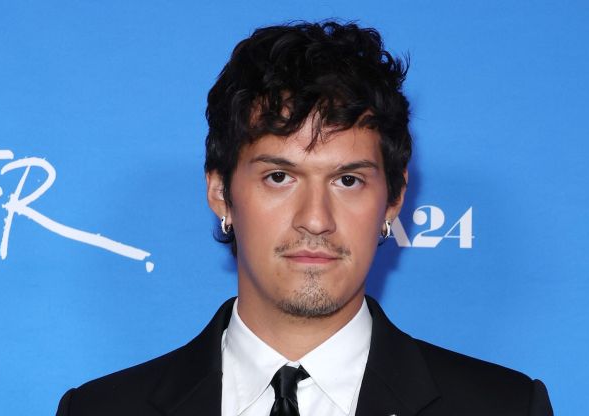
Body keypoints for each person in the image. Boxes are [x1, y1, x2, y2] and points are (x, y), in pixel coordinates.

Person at [56, 21, 554, 416]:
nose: (315, 219)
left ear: (395, 199)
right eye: (279, 177)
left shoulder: (504, 407)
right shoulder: (99, 409)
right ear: (220, 193)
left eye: (348, 180)